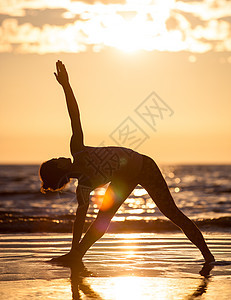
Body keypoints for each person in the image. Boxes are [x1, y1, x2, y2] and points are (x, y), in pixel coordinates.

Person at [39, 60, 215, 267]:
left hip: (143, 166)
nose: (59, 157)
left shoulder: (78, 150)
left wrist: (66, 86)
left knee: (172, 213)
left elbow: (74, 116)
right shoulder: (84, 187)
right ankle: (77, 256)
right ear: (59, 167)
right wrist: (72, 249)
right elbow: (79, 221)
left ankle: (208, 256)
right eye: (55, 159)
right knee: (102, 220)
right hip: (122, 180)